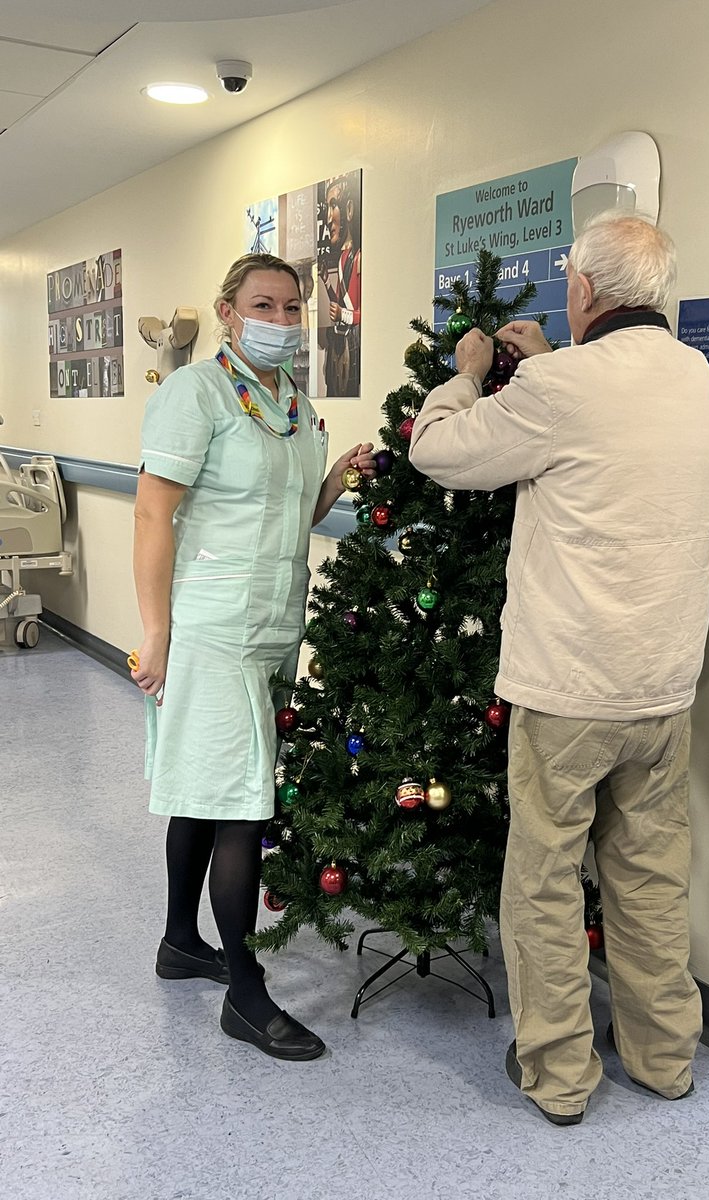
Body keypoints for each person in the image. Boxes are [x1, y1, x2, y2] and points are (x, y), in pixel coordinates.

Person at [408, 212, 709, 1124]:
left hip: (570, 691)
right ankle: (664, 1059)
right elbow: (605, 416)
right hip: (662, 687)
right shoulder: (693, 377)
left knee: (544, 880)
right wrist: (550, 359)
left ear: (582, 288)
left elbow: (439, 452)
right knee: (650, 876)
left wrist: (466, 376)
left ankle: (558, 1075)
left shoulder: (559, 387)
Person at [131, 252, 375, 1060]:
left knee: (208, 789)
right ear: (228, 313)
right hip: (212, 627)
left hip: (274, 624)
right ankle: (245, 991)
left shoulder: (295, 404)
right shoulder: (195, 394)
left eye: (291, 306)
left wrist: (334, 479)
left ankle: (180, 942)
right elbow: (152, 515)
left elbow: (291, 513)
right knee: (242, 800)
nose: (280, 320)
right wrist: (156, 632)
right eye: (262, 305)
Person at [319, 173, 361, 396]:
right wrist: (327, 283)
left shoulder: (359, 258)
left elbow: (359, 312)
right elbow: (340, 301)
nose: (328, 218)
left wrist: (343, 314)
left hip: (351, 341)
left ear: (349, 209)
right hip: (339, 341)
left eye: (333, 206)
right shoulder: (343, 258)